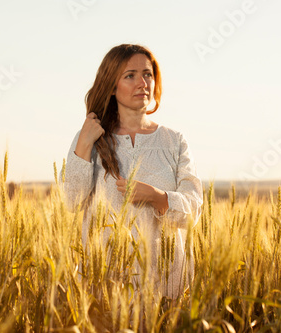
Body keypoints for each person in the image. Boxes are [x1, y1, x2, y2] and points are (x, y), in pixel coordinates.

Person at [62, 44, 203, 298]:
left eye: (147, 74)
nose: (142, 83)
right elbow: (72, 202)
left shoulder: (174, 141)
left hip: (164, 286)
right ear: (112, 86)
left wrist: (158, 197)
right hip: (104, 284)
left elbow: (194, 211)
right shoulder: (89, 138)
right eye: (130, 75)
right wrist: (84, 143)